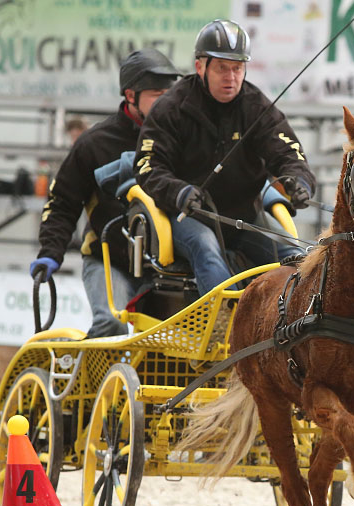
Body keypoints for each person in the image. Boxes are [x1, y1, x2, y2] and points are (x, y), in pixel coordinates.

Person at [135, 19, 316, 296]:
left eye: (238, 68)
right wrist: (179, 192)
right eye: (222, 68)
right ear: (200, 67)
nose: (231, 77)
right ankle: (223, 325)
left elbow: (288, 153)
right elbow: (148, 166)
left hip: (245, 217)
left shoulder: (257, 107)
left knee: (296, 258)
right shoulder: (170, 108)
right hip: (188, 216)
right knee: (207, 251)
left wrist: (299, 181)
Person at [30, 48, 180, 338]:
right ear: (130, 95)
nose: (165, 103)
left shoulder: (181, 138)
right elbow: (63, 203)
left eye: (168, 95)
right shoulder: (94, 143)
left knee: (172, 343)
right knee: (111, 324)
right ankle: (91, 380)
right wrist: (51, 251)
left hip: (166, 268)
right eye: (155, 95)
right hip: (109, 260)